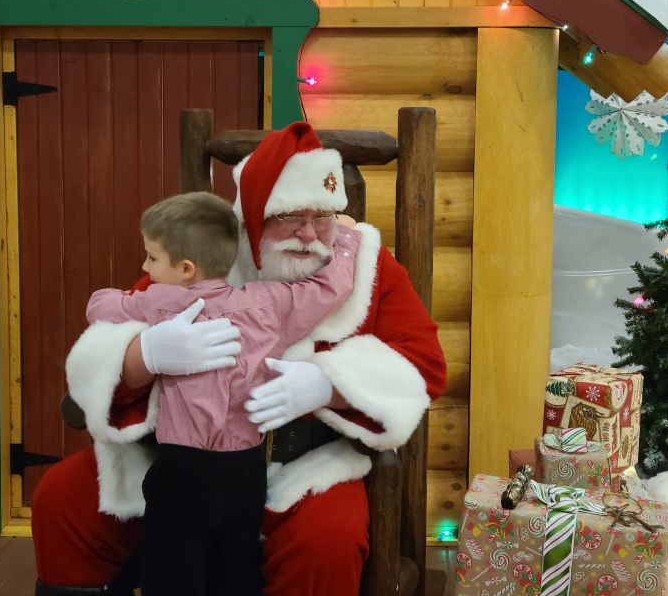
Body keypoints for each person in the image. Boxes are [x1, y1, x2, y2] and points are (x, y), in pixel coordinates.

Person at [32, 121, 447, 596]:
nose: (309, 234)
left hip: (305, 462)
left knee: (326, 541)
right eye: (291, 216)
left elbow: (425, 365)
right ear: (254, 214)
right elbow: (118, 318)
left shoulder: (370, 266)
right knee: (63, 498)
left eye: (324, 217)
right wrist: (142, 355)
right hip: (180, 456)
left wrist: (329, 384)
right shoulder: (206, 255)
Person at [84, 191, 360, 595]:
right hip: (246, 471)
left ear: (185, 268)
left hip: (183, 469)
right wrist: (349, 239)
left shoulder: (162, 303)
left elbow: (100, 307)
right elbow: (331, 287)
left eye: (152, 258)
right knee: (236, 567)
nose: (145, 266)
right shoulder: (269, 304)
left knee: (172, 570)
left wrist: (123, 309)